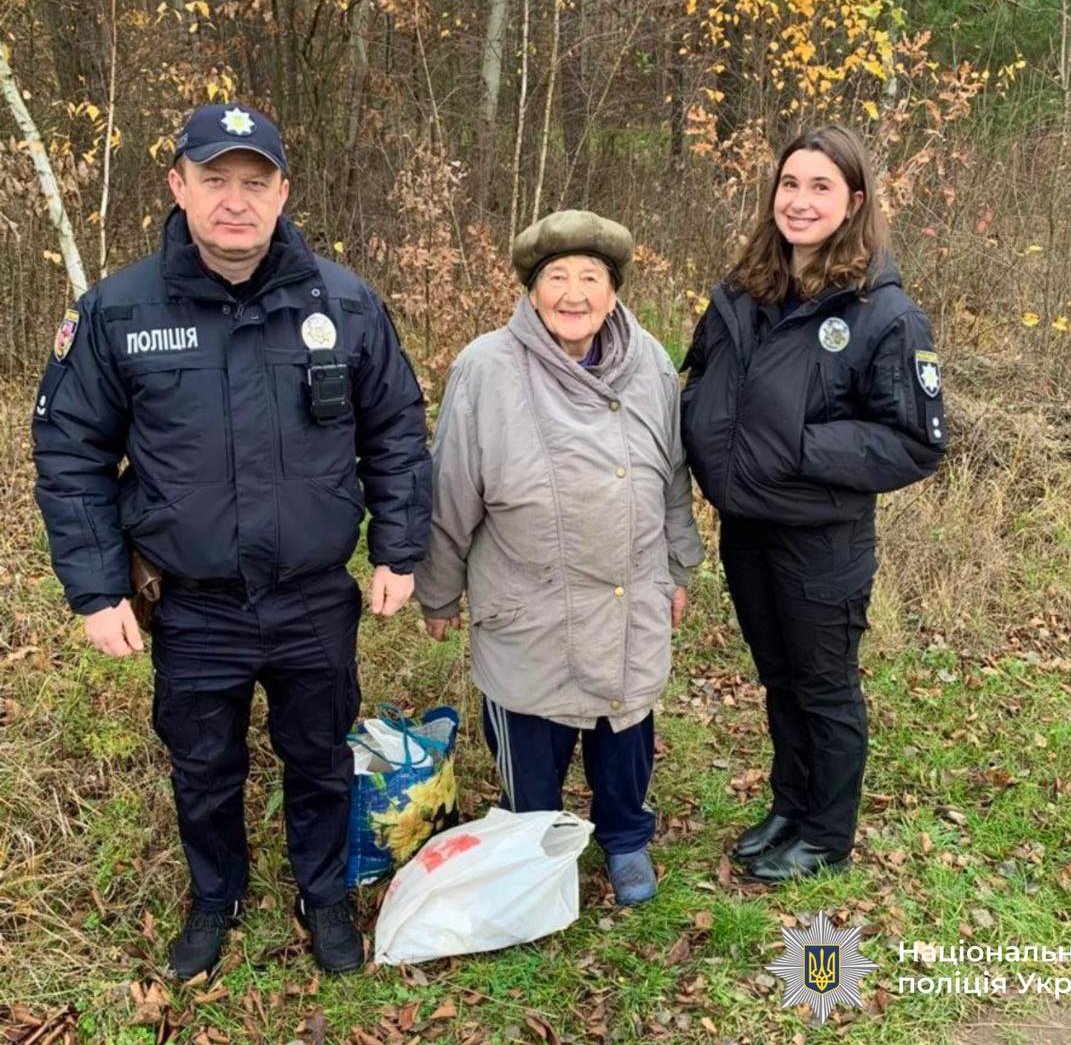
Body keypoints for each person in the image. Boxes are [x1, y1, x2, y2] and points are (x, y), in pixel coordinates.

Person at [32, 103, 431, 977]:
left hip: (311, 595)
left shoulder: (346, 303)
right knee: (204, 766)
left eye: (256, 182)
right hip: (195, 602)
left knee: (319, 757)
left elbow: (396, 428)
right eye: (216, 180)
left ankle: (322, 894)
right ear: (179, 186)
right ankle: (216, 897)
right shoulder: (118, 311)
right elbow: (71, 452)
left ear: (284, 193)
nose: (236, 201)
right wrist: (98, 590)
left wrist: (399, 549)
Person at [681, 124, 946, 884]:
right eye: (789, 184)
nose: (800, 201)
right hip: (746, 530)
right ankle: (789, 806)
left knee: (825, 688)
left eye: (821, 187)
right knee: (779, 680)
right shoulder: (743, 292)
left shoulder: (883, 314)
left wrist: (798, 449)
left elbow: (917, 442)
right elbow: (699, 378)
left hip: (821, 539)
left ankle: (825, 835)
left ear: (855, 201)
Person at [415, 210, 703, 906]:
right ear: (531, 289)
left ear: (613, 290)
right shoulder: (486, 368)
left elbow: (672, 477)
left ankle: (625, 837)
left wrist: (679, 564)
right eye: (557, 277)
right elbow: (450, 488)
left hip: (629, 591)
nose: (574, 294)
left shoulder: (652, 364)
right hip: (529, 599)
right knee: (531, 730)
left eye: (591, 278)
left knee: (625, 724)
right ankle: (532, 844)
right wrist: (438, 590)